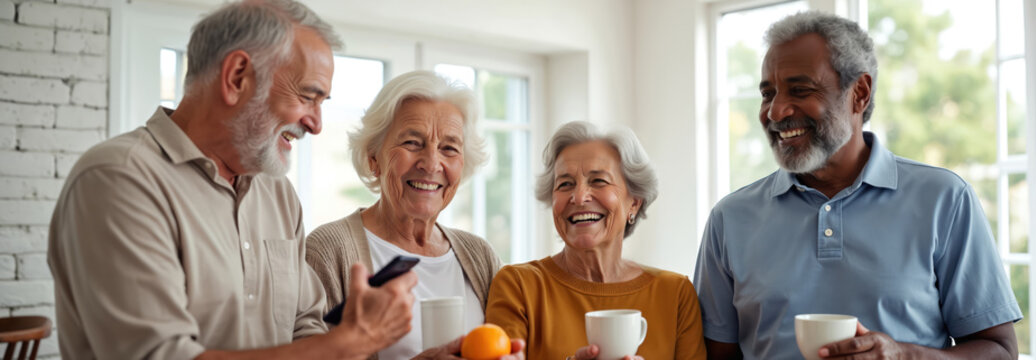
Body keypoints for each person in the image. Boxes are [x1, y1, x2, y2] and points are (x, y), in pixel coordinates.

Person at [47, 1, 419, 358]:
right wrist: (345, 346)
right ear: (237, 77)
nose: (316, 124)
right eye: (308, 97)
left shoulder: (277, 192)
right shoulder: (118, 180)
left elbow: (306, 325)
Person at [693, 11, 1022, 359]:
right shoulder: (730, 218)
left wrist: (905, 356)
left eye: (799, 89)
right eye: (767, 93)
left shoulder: (945, 200)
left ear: (859, 93)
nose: (775, 112)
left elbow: (1000, 351)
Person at [305, 70, 515, 360]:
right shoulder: (328, 250)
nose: (431, 164)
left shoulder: (480, 256)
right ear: (374, 157)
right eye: (412, 143)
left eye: (449, 148)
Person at [485, 121, 707, 360]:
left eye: (598, 181)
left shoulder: (675, 294)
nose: (579, 197)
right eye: (565, 184)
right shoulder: (518, 286)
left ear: (634, 202)